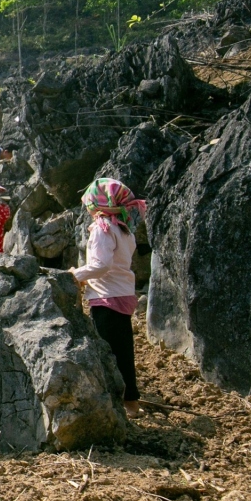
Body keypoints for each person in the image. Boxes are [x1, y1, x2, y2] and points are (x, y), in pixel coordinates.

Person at [69, 178, 146, 418]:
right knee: (123, 349)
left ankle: (119, 401)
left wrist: (76, 275)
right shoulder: (124, 229)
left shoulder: (103, 228)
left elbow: (100, 265)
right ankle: (131, 401)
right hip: (122, 293)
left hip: (106, 297)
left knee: (109, 352)